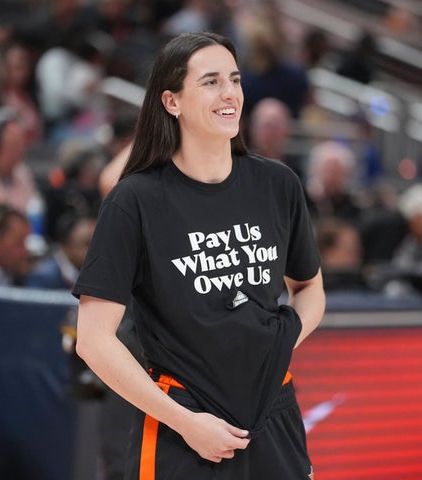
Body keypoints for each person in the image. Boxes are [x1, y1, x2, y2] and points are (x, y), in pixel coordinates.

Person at [72, 31, 324, 480]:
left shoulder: (278, 184)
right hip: (186, 422)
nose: (229, 92)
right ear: (171, 102)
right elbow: (93, 340)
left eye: (235, 79)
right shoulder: (135, 200)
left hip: (275, 411)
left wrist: (279, 343)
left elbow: (308, 288)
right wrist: (184, 423)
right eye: (210, 82)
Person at [25, 212, 96, 290]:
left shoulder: (99, 273)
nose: (96, 250)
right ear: (66, 246)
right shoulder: (43, 277)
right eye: (88, 244)